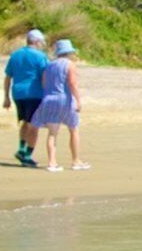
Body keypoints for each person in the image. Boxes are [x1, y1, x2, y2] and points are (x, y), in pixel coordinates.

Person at [32, 37, 85, 172]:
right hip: (65, 99)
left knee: (52, 133)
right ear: (69, 52)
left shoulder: (49, 65)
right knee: (73, 129)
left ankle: (52, 163)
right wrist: (78, 100)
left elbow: (44, 83)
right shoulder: (69, 64)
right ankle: (75, 161)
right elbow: (72, 83)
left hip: (49, 99)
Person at [5, 27, 52, 167]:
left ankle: (21, 149)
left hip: (18, 93)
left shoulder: (15, 55)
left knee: (26, 121)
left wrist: (6, 97)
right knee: (34, 125)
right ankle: (27, 155)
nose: (42, 45)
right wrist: (48, 94)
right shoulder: (40, 56)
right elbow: (45, 76)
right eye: (41, 42)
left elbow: (8, 77)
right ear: (36, 42)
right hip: (34, 93)